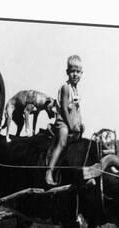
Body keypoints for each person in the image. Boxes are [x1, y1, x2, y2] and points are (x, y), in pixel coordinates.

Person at [46, 55, 84, 186]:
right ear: (67, 72)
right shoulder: (66, 88)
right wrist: (70, 125)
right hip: (62, 121)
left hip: (71, 122)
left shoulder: (76, 90)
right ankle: (49, 171)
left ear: (81, 73)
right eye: (72, 71)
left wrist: (79, 123)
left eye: (78, 71)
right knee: (62, 141)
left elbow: (76, 110)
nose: (75, 74)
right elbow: (64, 108)